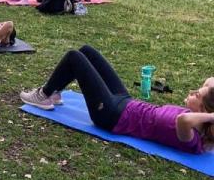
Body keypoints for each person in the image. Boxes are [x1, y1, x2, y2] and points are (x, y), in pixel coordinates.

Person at [19, 45, 214, 154]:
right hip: (126, 102)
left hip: (111, 116)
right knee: (87, 51)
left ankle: (44, 95)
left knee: (74, 56)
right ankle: (55, 90)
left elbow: (183, 120)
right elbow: (210, 82)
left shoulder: (192, 138)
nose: (192, 91)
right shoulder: (198, 117)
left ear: (205, 112)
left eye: (197, 95)